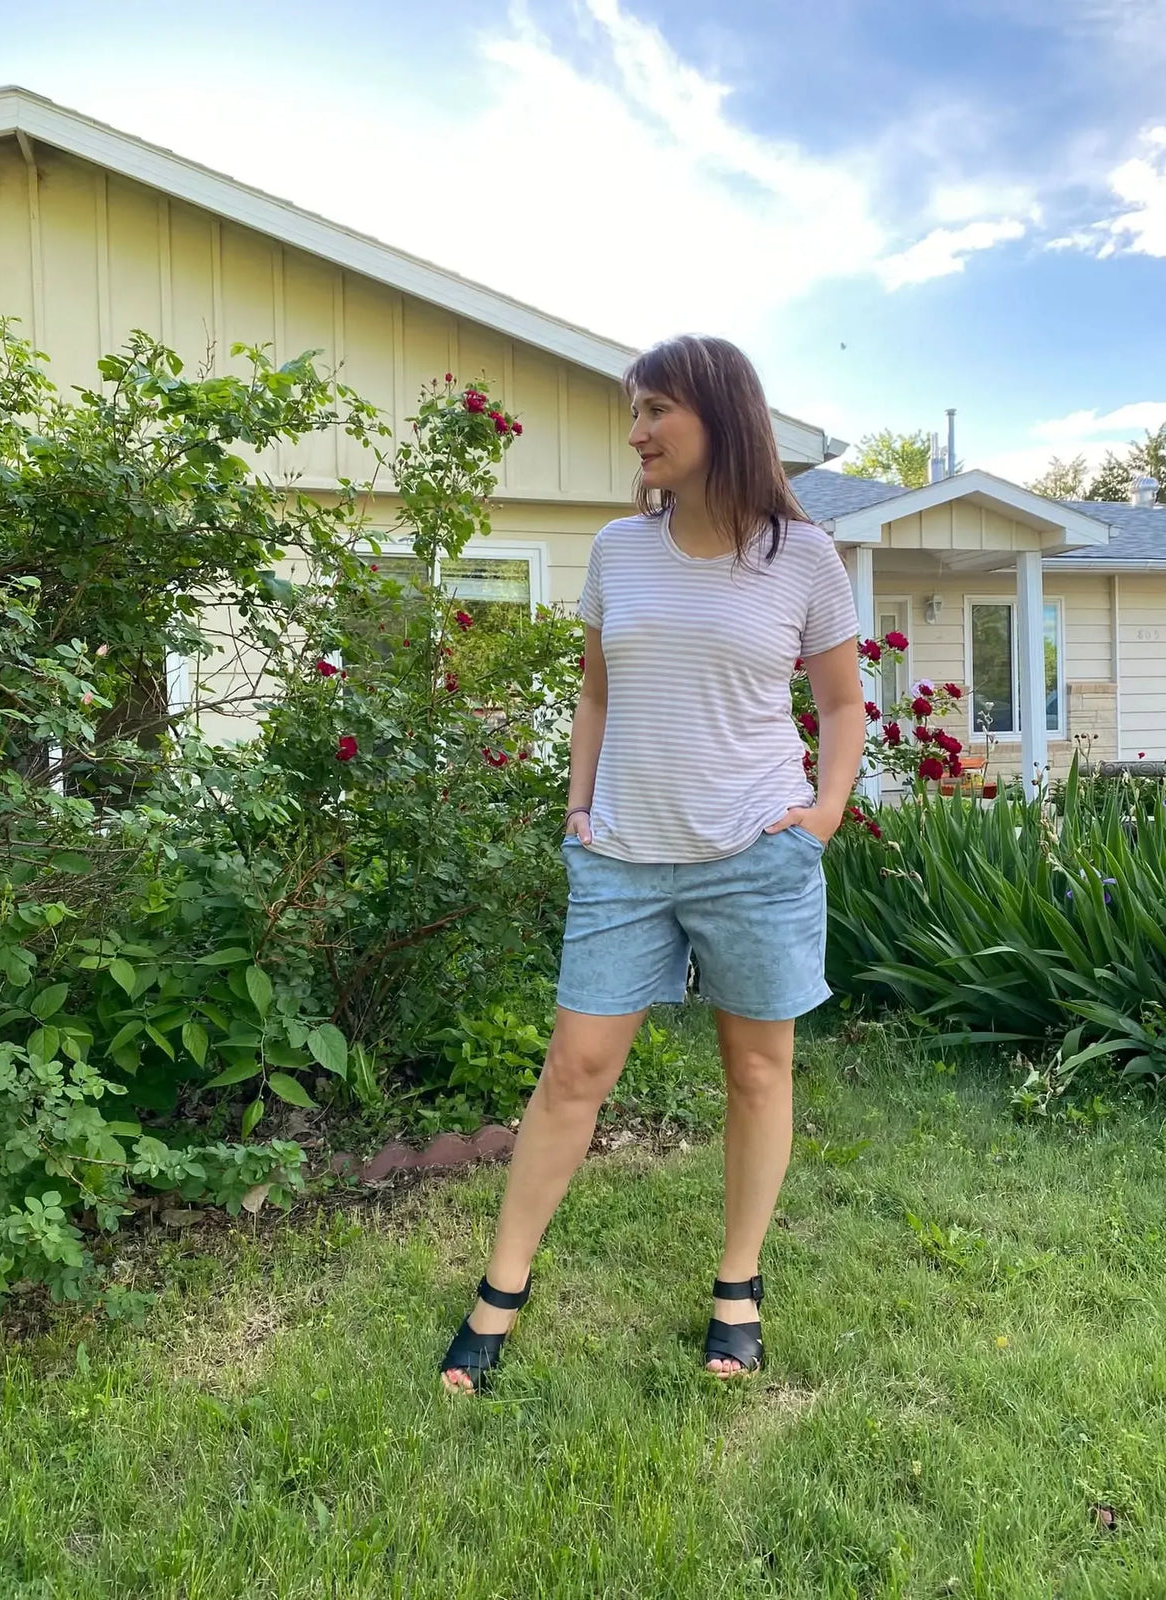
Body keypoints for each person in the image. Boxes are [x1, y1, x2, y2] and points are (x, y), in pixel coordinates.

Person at [440, 334, 865, 1392]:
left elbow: (843, 705)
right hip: (625, 856)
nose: (636, 434)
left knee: (758, 1071)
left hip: (754, 855)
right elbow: (595, 692)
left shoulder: (800, 558)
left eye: (654, 411)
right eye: (633, 413)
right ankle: (499, 1292)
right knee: (573, 1070)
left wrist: (822, 815)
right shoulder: (617, 551)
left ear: (721, 415)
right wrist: (577, 809)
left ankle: (737, 1287)